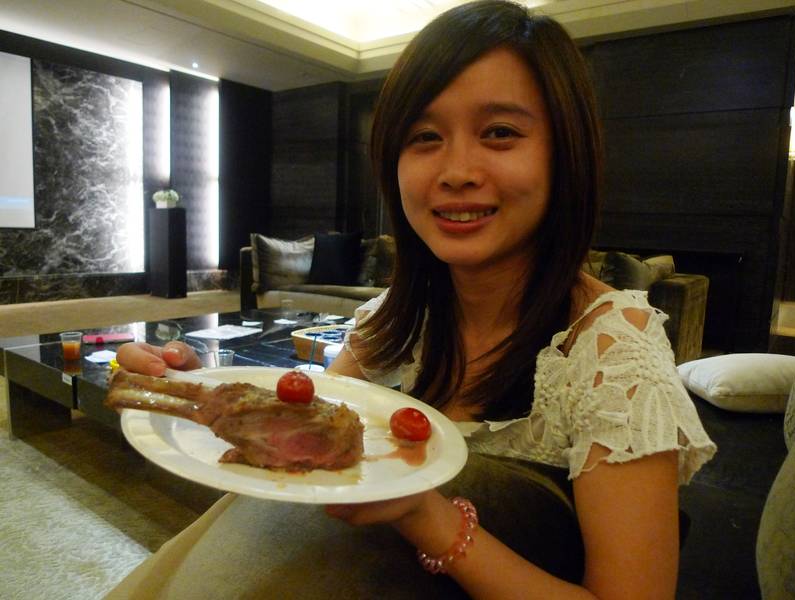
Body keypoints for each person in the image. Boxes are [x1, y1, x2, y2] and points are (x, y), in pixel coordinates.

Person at [109, 1, 716, 598]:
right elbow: (308, 440)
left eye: (499, 133)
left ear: (566, 155)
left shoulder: (612, 350)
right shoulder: (393, 323)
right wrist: (207, 393)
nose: (456, 171)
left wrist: (427, 516)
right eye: (425, 136)